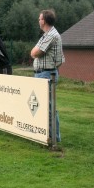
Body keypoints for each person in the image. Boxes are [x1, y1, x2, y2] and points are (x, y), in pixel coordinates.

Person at [30, 9, 65, 142]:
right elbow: (33, 51)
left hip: (46, 74)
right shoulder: (46, 35)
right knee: (44, 107)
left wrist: (34, 52)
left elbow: (36, 52)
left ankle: (54, 137)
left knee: (50, 107)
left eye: (39, 19)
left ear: (44, 20)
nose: (38, 21)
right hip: (43, 73)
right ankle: (47, 136)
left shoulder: (51, 35)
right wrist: (34, 52)